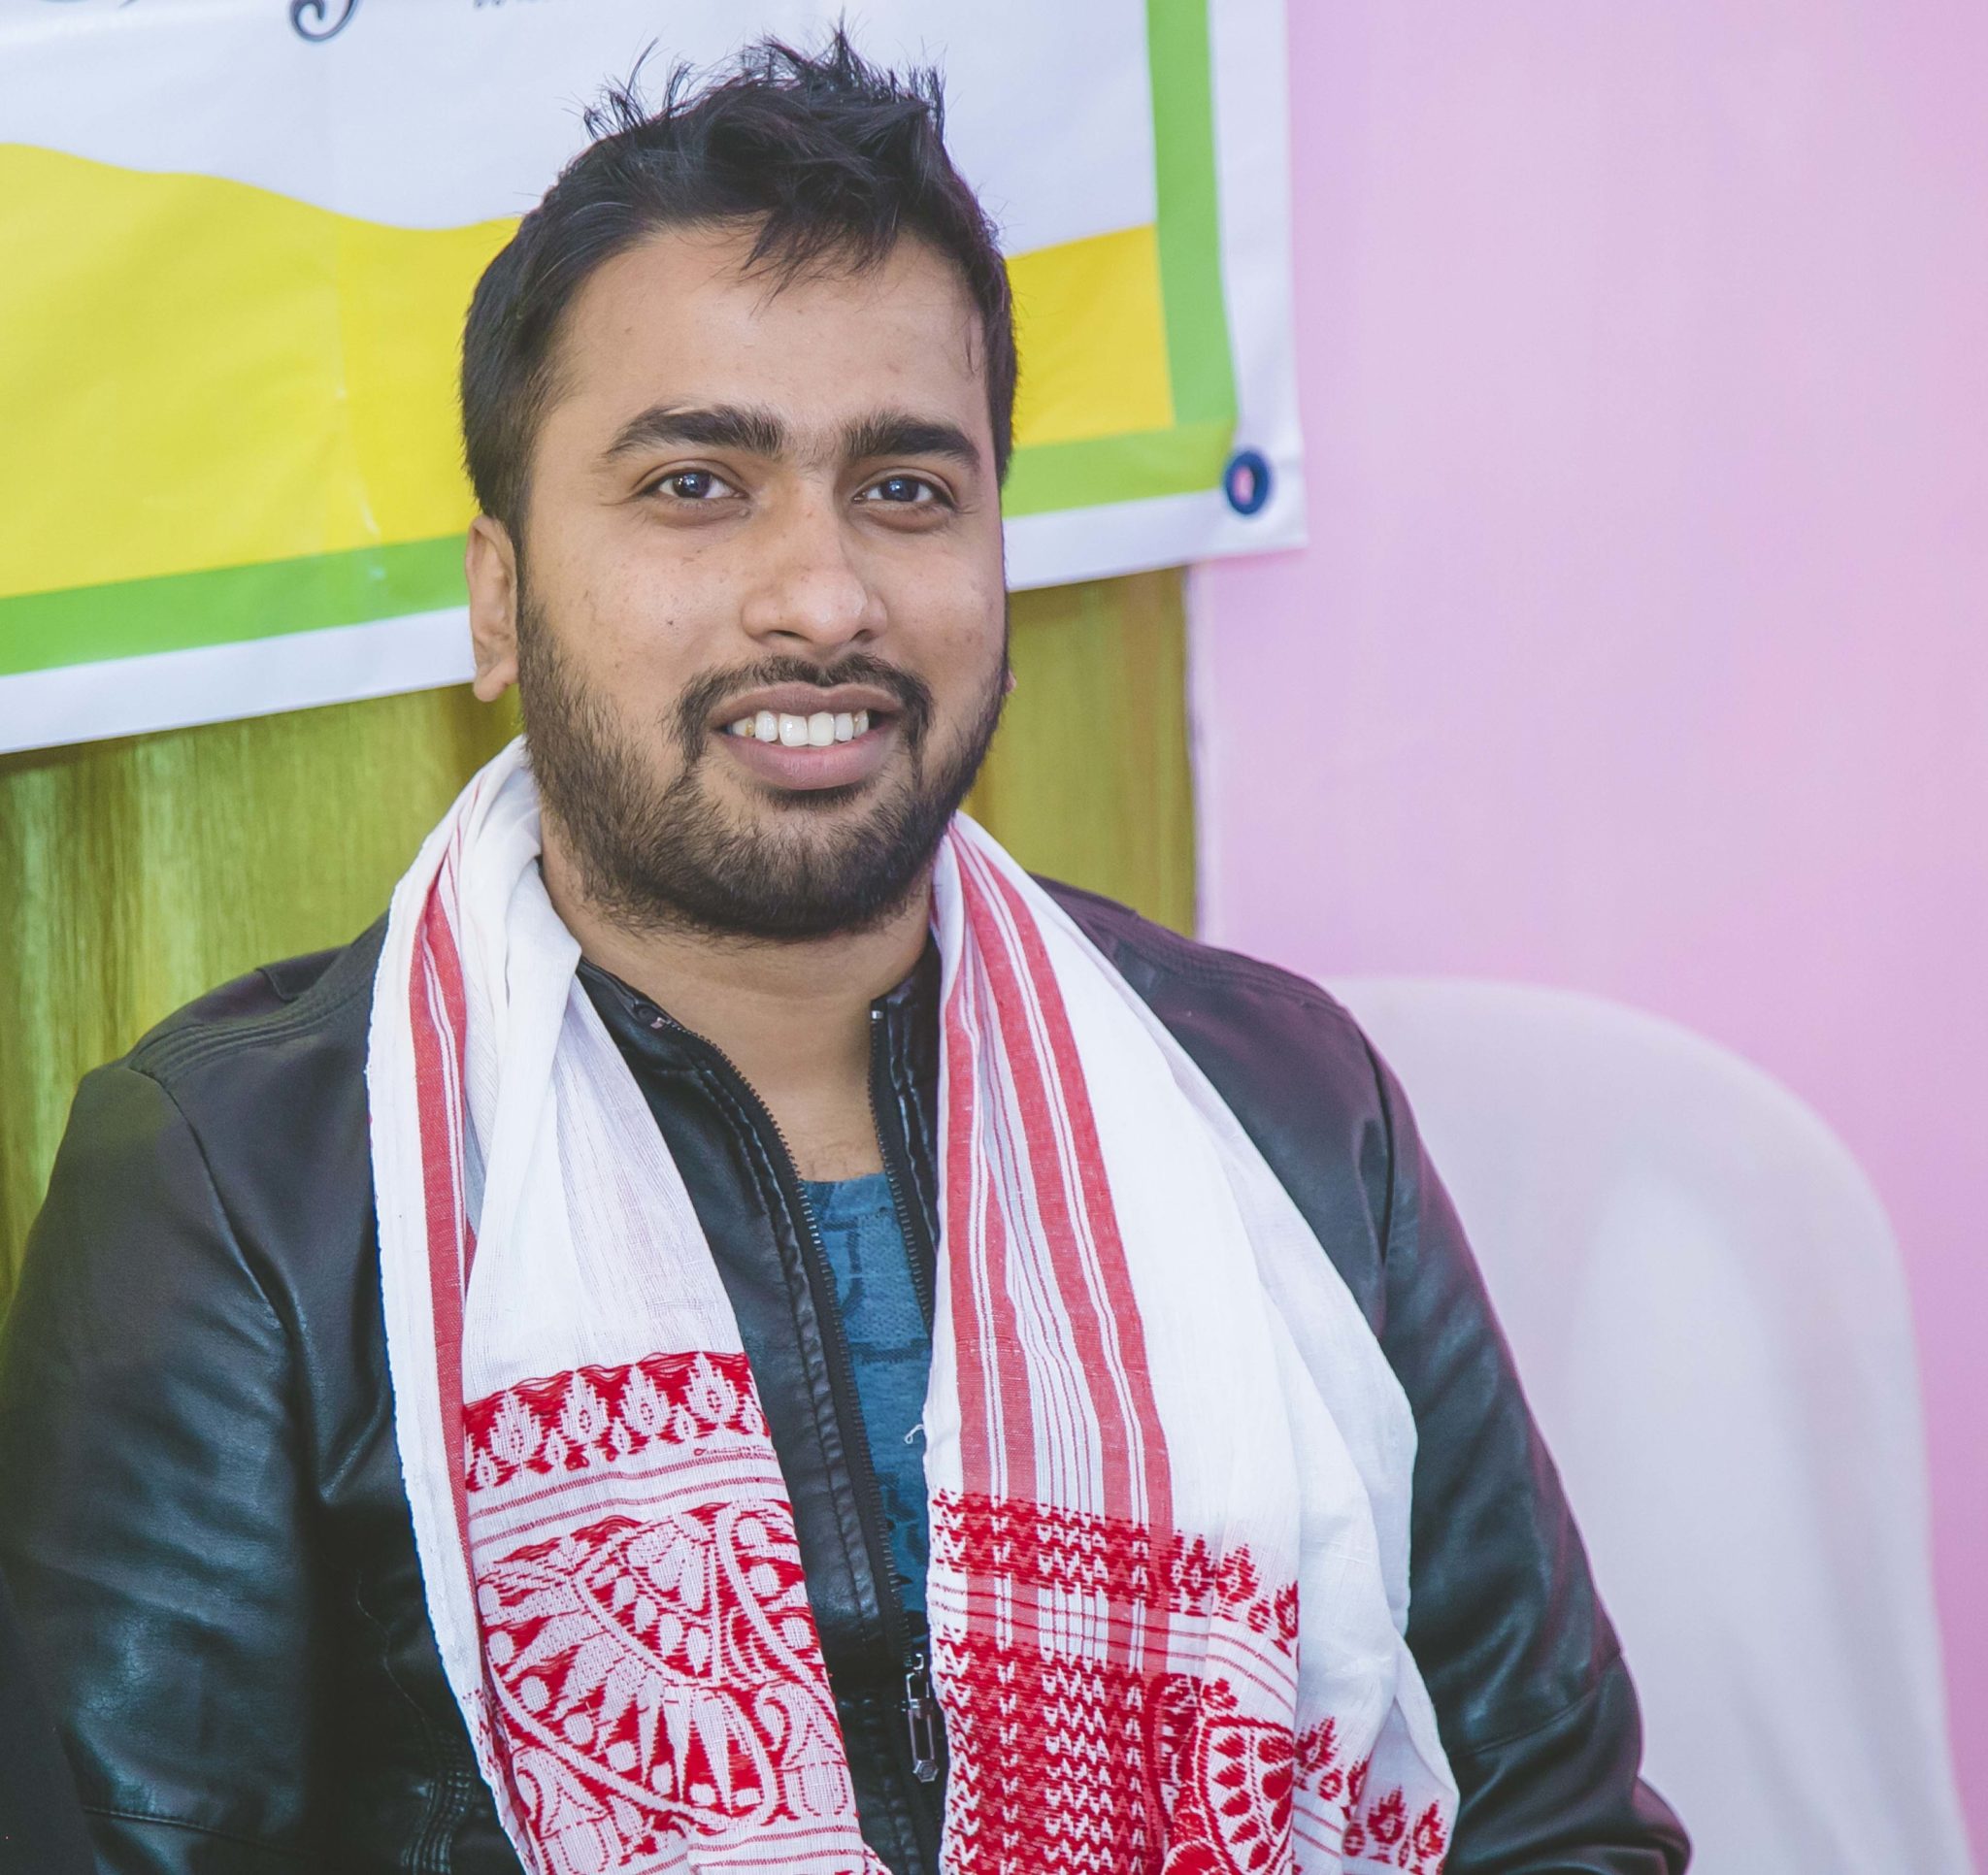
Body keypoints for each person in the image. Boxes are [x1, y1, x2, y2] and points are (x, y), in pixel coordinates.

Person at [0, 35, 1689, 1875]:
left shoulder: (1285, 1109)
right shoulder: (248, 1190)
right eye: (693, 485)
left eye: (904, 489)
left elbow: (1553, 1821)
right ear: (499, 597)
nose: (822, 597)